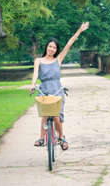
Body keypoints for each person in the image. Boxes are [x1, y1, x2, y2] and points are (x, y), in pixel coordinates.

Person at [29, 22, 89, 150]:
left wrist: (79, 30)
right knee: (44, 115)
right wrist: (32, 85)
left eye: (54, 48)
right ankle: (41, 137)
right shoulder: (38, 61)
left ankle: (61, 138)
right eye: (50, 46)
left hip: (56, 91)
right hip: (44, 90)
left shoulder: (58, 59)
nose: (51, 49)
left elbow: (69, 43)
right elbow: (35, 75)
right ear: (46, 47)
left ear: (56, 50)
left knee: (56, 116)